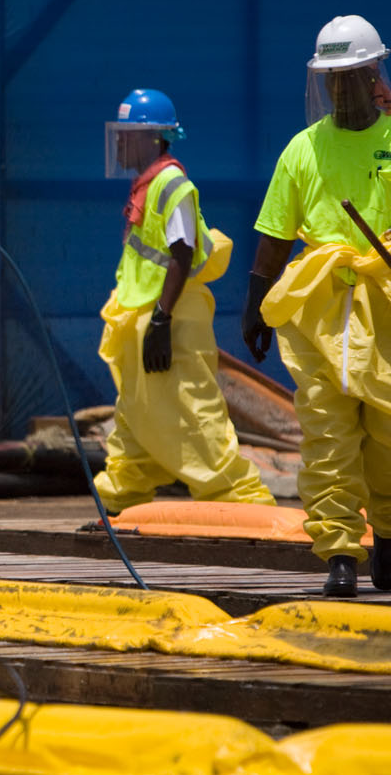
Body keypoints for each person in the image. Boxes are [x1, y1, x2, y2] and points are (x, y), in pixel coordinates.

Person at [241, 15, 391, 598]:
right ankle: (339, 551)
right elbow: (274, 234)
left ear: (373, 76)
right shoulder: (303, 150)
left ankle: (389, 531)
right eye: (330, 79)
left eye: (350, 76)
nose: (339, 89)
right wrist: (254, 302)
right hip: (320, 313)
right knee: (326, 434)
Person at [95, 89, 275, 514]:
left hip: (169, 322)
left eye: (127, 135)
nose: (119, 143)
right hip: (151, 318)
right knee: (135, 419)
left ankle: (246, 507)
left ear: (151, 138)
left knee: (197, 418)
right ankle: (122, 502)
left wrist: (161, 320)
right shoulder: (149, 185)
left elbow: (182, 251)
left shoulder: (172, 184)